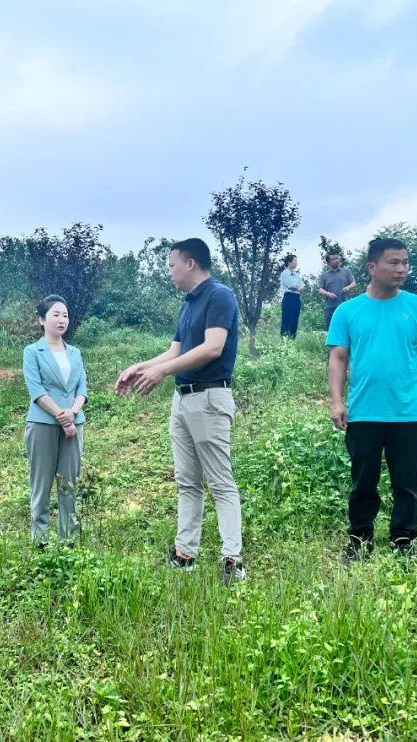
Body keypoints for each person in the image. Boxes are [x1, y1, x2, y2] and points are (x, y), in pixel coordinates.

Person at [115, 238, 246, 586]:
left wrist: (163, 372)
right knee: (186, 480)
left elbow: (213, 347)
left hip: (209, 398)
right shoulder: (188, 303)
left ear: (190, 263)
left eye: (171, 264)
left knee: (220, 481)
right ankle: (185, 552)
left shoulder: (220, 295)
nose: (168, 271)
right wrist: (141, 367)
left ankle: (233, 559)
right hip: (183, 400)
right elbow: (175, 350)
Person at [326, 237, 417, 564]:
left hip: (408, 414)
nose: (402, 269)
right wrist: (337, 402)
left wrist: (416, 389)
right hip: (364, 412)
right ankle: (359, 538)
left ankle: (403, 539)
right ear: (372, 267)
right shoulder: (348, 311)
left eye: (405, 262)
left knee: (407, 482)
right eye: (394, 262)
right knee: (363, 480)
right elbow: (338, 358)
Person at [22, 295, 88, 546]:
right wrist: (62, 416)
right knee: (41, 481)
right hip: (43, 424)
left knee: (69, 481)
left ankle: (68, 538)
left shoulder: (75, 352)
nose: (62, 320)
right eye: (56, 315)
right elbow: (36, 390)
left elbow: (83, 388)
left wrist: (73, 411)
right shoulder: (32, 352)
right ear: (42, 320)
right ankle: (40, 539)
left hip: (74, 422)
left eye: (65, 315)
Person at [317, 252, 357, 331]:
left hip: (344, 305)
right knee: (330, 330)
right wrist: (328, 294)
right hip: (329, 306)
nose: (336, 260)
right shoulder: (324, 275)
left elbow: (354, 283)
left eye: (337, 258)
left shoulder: (346, 272)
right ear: (328, 262)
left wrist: (348, 288)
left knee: (345, 328)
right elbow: (320, 290)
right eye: (333, 259)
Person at [279, 254, 303, 338]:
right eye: (295, 261)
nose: (296, 263)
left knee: (294, 319)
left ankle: (292, 338)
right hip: (288, 297)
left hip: (296, 298)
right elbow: (292, 285)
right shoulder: (284, 273)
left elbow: (302, 285)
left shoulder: (296, 274)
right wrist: (298, 287)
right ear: (289, 262)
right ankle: (284, 339)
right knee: (287, 319)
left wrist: (298, 287)